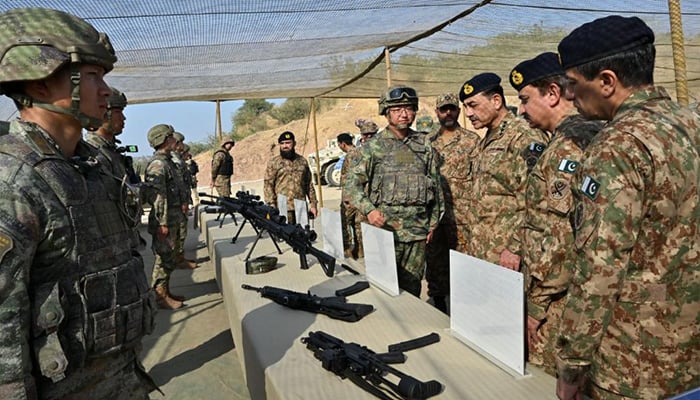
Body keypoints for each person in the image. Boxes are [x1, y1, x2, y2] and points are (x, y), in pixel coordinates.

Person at [0, 7, 158, 399]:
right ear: (38, 85)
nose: (105, 90)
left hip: (121, 376)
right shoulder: (14, 181)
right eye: (92, 77)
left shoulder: (89, 167)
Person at [554, 16, 700, 400]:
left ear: (606, 81)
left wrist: (571, 365)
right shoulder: (691, 123)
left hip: (634, 363)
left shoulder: (615, 147)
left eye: (572, 84)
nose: (569, 96)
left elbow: (599, 270)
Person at [499, 52, 603, 374]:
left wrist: (536, 306)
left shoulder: (567, 146)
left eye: (526, 99)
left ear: (553, 94)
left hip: (561, 302)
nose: (522, 110)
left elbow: (561, 239)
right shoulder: (583, 135)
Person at [344, 85, 443, 297]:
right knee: (383, 290)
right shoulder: (373, 147)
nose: (404, 114)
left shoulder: (424, 144)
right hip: (385, 232)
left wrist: (433, 223)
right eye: (397, 109)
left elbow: (436, 186)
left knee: (412, 290)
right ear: (386, 112)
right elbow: (352, 186)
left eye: (408, 108)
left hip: (416, 233)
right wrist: (369, 210)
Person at [459, 72, 549, 266]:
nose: (468, 113)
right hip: (486, 248)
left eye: (473, 105)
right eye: (465, 107)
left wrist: (515, 247)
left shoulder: (523, 136)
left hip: (509, 254)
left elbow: (537, 199)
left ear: (496, 101)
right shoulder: (489, 138)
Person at [425, 93, 480, 313]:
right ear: (437, 112)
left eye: (452, 109)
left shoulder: (471, 140)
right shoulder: (427, 142)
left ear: (458, 111)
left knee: (465, 264)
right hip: (436, 218)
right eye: (443, 109)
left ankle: (465, 309)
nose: (448, 113)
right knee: (436, 265)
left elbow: (479, 179)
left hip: (463, 217)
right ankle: (439, 307)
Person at [85, 86, 145, 249]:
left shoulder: (111, 153)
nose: (124, 118)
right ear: (105, 114)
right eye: (119, 112)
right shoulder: (93, 155)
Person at [144, 124, 188, 309]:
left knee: (169, 257)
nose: (174, 140)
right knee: (163, 258)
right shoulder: (158, 164)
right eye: (170, 137)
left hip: (173, 217)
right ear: (162, 140)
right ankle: (159, 295)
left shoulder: (167, 161)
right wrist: (162, 223)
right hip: (165, 220)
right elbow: (158, 197)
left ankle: (165, 291)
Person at [264, 131, 318, 225]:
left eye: (288, 143)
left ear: (294, 143)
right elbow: (268, 185)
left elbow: (308, 184)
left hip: (300, 206)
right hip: (282, 208)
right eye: (282, 143)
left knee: (303, 235)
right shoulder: (274, 163)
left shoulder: (302, 161)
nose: (285, 146)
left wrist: (313, 204)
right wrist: (271, 205)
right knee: (285, 235)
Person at [171, 131, 197, 270]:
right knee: (178, 234)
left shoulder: (177, 159)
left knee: (181, 232)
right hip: (175, 204)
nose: (182, 146)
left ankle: (179, 257)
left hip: (181, 201)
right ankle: (177, 259)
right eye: (180, 143)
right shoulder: (172, 160)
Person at [337, 132, 360, 258]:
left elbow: (347, 179)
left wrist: (346, 198)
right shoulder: (361, 152)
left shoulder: (349, 157)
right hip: (361, 196)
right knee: (358, 224)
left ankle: (348, 250)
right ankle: (360, 249)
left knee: (345, 223)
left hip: (350, 197)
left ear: (342, 144)